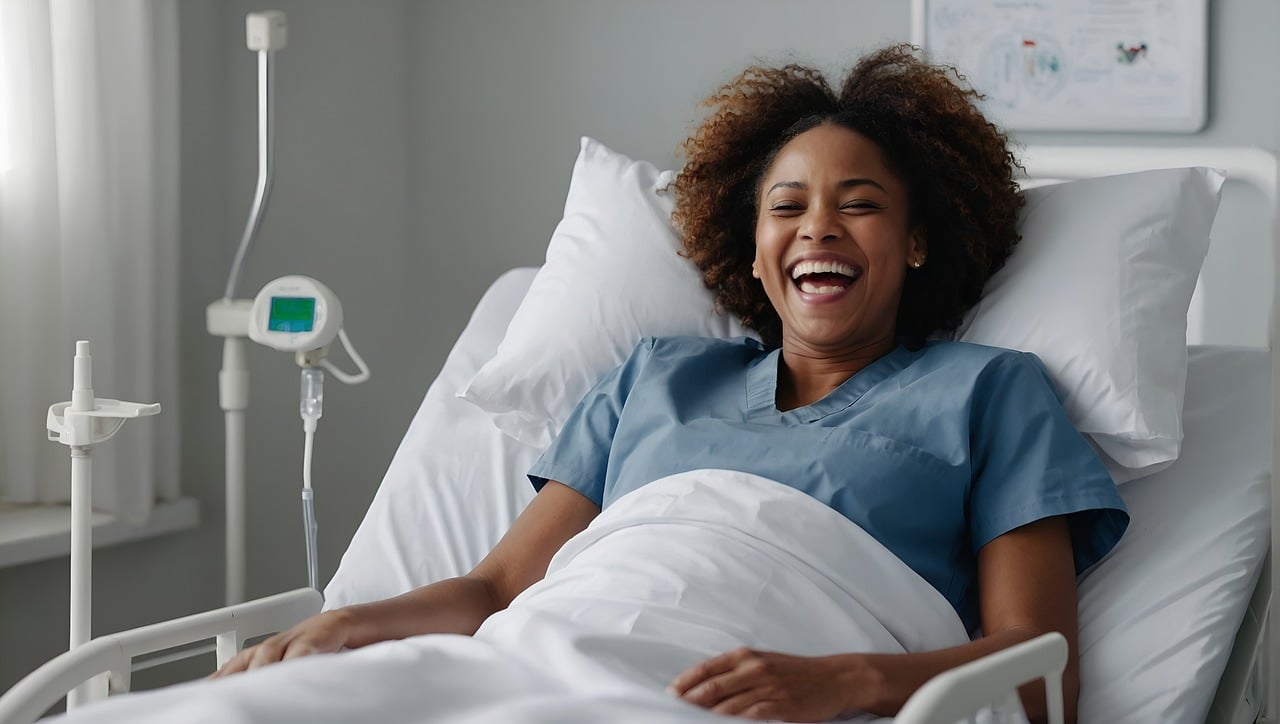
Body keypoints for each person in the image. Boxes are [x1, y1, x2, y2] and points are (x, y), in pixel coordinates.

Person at [213, 45, 1127, 723]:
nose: (820, 229)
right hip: (535, 657)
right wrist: (346, 629)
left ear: (918, 243)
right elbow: (495, 592)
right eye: (787, 207)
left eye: (860, 205)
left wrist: (843, 679)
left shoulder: (990, 393)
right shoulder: (655, 376)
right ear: (755, 255)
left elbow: (1040, 673)